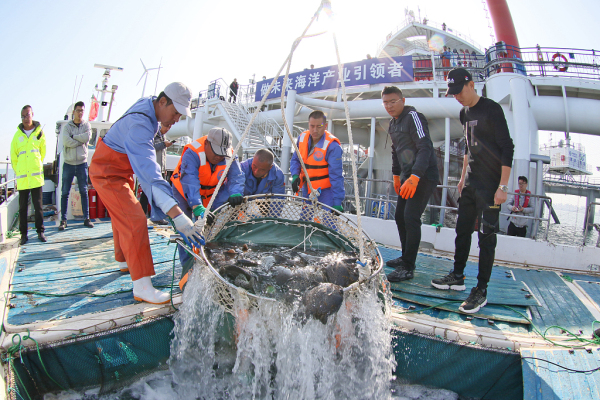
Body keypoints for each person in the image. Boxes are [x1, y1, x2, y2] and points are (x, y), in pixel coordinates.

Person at [89, 82, 204, 304]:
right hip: (107, 172)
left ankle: (123, 260)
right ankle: (142, 285)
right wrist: (178, 216)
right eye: (176, 113)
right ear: (163, 102)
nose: (177, 119)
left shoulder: (149, 106)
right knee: (134, 220)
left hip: (120, 169)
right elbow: (151, 177)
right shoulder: (141, 124)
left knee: (121, 214)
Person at [431, 68, 514, 314]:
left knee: (486, 237)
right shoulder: (463, 113)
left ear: (471, 84)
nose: (456, 96)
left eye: (459, 91)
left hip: (490, 186)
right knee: (462, 230)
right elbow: (468, 146)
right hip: (470, 182)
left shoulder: (492, 109)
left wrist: (503, 186)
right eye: (453, 93)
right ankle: (457, 276)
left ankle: (481, 289)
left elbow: (507, 147)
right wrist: (462, 178)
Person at [170, 127, 245, 286]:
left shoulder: (229, 154)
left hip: (210, 194)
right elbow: (190, 181)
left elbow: (236, 177)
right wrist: (197, 206)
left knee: (211, 228)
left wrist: (235, 193)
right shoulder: (192, 152)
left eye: (222, 153)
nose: (219, 157)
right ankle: (188, 269)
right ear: (207, 144)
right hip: (184, 192)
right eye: (216, 152)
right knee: (187, 230)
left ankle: (208, 262)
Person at [381, 86, 439, 282]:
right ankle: (406, 256)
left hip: (423, 176)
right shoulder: (392, 123)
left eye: (393, 102)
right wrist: (397, 176)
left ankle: (408, 266)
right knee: (400, 216)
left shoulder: (413, 117)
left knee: (411, 217)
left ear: (402, 101)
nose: (389, 106)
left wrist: (415, 177)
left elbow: (425, 147)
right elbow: (395, 151)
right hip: (407, 177)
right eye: (385, 102)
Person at [290, 111, 345, 212]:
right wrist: (295, 176)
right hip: (308, 190)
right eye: (312, 126)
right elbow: (295, 159)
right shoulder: (302, 138)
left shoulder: (333, 147)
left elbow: (336, 176)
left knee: (328, 222)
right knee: (305, 221)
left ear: (325, 126)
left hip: (326, 193)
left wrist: (337, 202)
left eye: (319, 126)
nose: (315, 130)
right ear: (308, 125)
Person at [11, 105, 46, 245]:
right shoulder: (17, 136)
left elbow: (42, 153)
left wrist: (35, 166)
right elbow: (14, 157)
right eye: (23, 116)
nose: (26, 118)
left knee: (38, 206)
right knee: (23, 208)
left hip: (36, 177)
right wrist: (19, 171)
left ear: (33, 114)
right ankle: (23, 235)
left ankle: (40, 231)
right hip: (23, 179)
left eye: (28, 114)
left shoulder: (40, 133)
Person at [59, 101, 93, 231]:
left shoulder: (86, 125)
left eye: (82, 111)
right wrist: (78, 140)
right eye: (78, 110)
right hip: (68, 164)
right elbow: (66, 141)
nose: (80, 113)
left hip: (81, 164)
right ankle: (63, 220)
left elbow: (87, 137)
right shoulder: (67, 127)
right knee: (64, 193)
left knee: (84, 191)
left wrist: (75, 138)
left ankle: (87, 218)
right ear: (73, 111)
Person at [139, 123, 174, 225]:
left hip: (159, 169)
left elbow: (162, 155)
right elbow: (149, 147)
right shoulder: (153, 134)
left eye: (169, 127)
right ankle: (145, 216)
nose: (168, 129)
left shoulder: (163, 136)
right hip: (151, 169)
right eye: (167, 126)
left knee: (156, 194)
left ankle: (154, 216)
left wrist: (164, 168)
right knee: (147, 193)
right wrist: (163, 144)